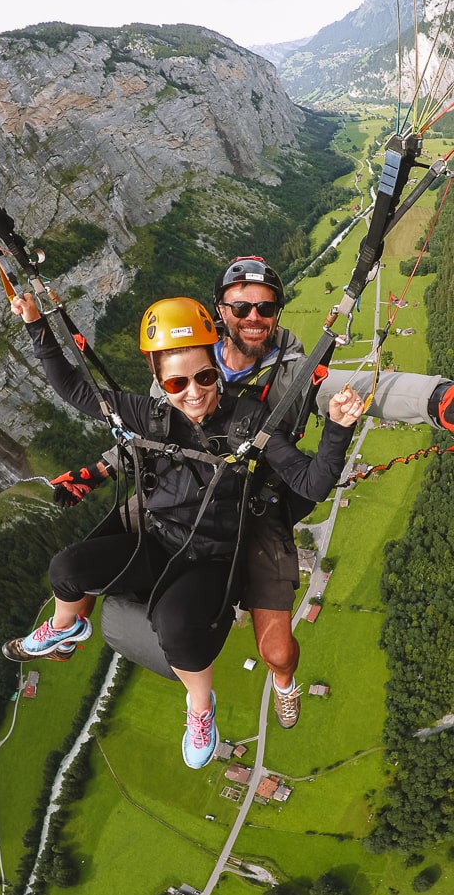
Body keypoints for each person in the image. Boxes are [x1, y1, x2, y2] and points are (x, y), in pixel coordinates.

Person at [47, 257, 454, 730]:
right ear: (220, 310)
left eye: (266, 307)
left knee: (277, 650)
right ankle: (66, 627)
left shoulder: (290, 373)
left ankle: (284, 683)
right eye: (241, 307)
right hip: (182, 499)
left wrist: (435, 400)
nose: (254, 318)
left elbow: (356, 387)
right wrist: (99, 469)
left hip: (255, 510)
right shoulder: (186, 359)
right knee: (91, 551)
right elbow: (156, 432)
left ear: (278, 312)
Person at [2, 292, 365, 768]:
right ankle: (66, 629)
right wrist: (36, 325)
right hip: (157, 541)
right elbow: (74, 389)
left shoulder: (250, 422)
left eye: (204, 377)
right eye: (176, 382)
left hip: (213, 558)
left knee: (174, 625)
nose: (192, 392)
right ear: (159, 382)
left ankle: (200, 709)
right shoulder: (151, 415)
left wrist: (337, 429)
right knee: (66, 569)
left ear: (216, 368)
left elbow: (311, 483)